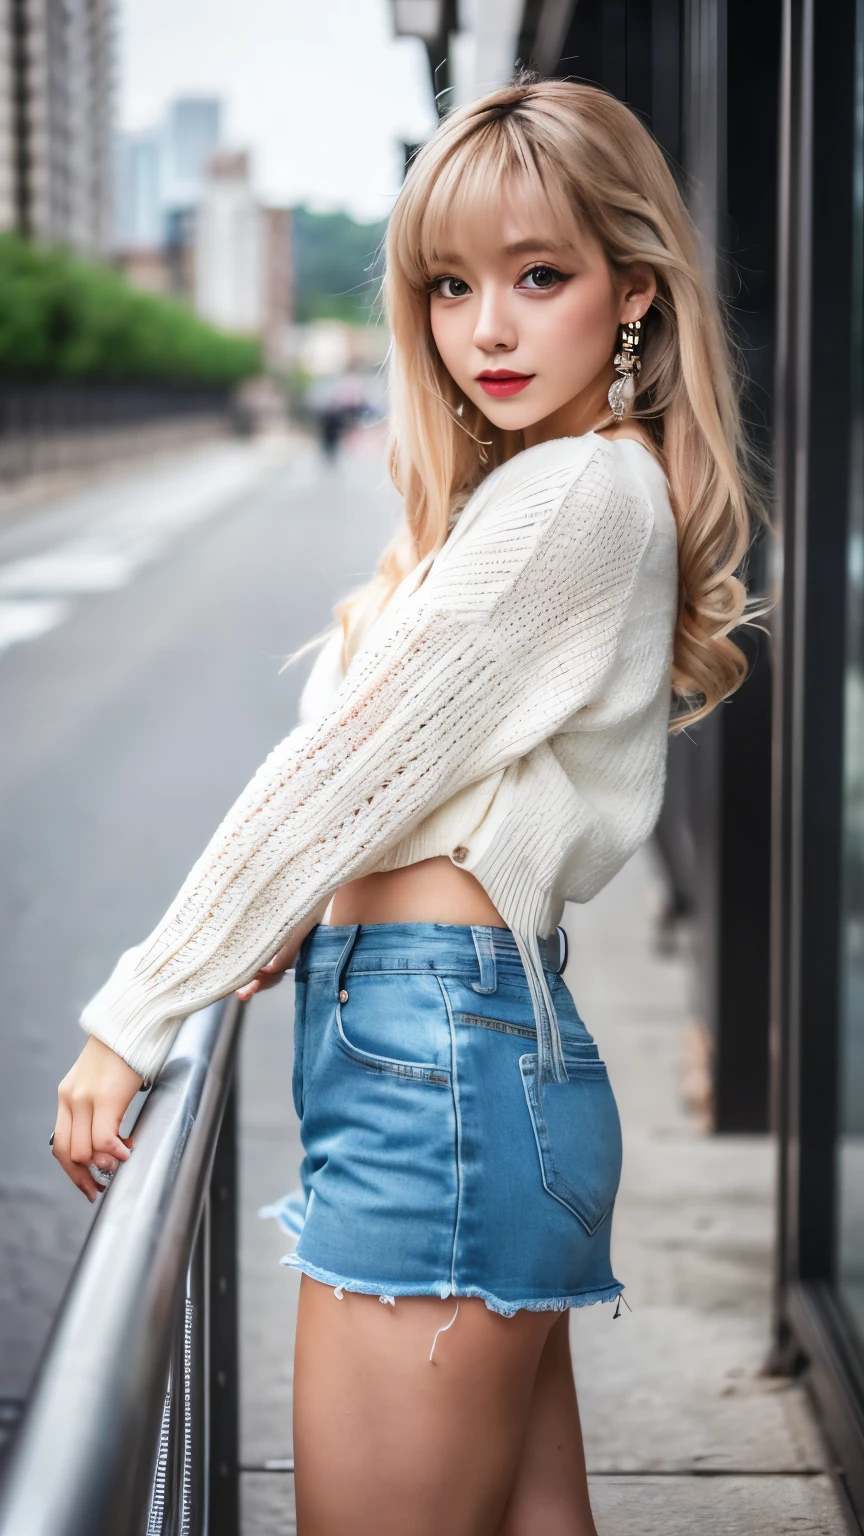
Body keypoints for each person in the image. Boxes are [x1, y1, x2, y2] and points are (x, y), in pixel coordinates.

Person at [52, 77, 765, 1536]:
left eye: (539, 276)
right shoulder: (548, 492)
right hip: (457, 1054)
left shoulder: (576, 496)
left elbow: (336, 778)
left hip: (437, 1061)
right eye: (451, 285)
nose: (487, 328)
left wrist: (139, 1005)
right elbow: (384, 775)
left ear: (632, 296)